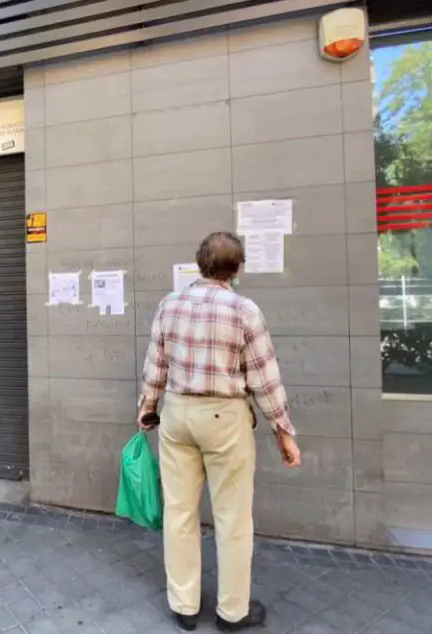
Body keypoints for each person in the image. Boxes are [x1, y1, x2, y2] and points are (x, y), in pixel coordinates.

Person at [137, 232, 301, 632]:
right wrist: (283, 431)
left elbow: (156, 364)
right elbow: (265, 378)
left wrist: (147, 407)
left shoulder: (170, 305)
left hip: (177, 414)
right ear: (237, 268)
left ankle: (185, 605)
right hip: (225, 418)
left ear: (199, 263)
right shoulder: (245, 310)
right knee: (232, 517)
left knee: (179, 512)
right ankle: (232, 611)